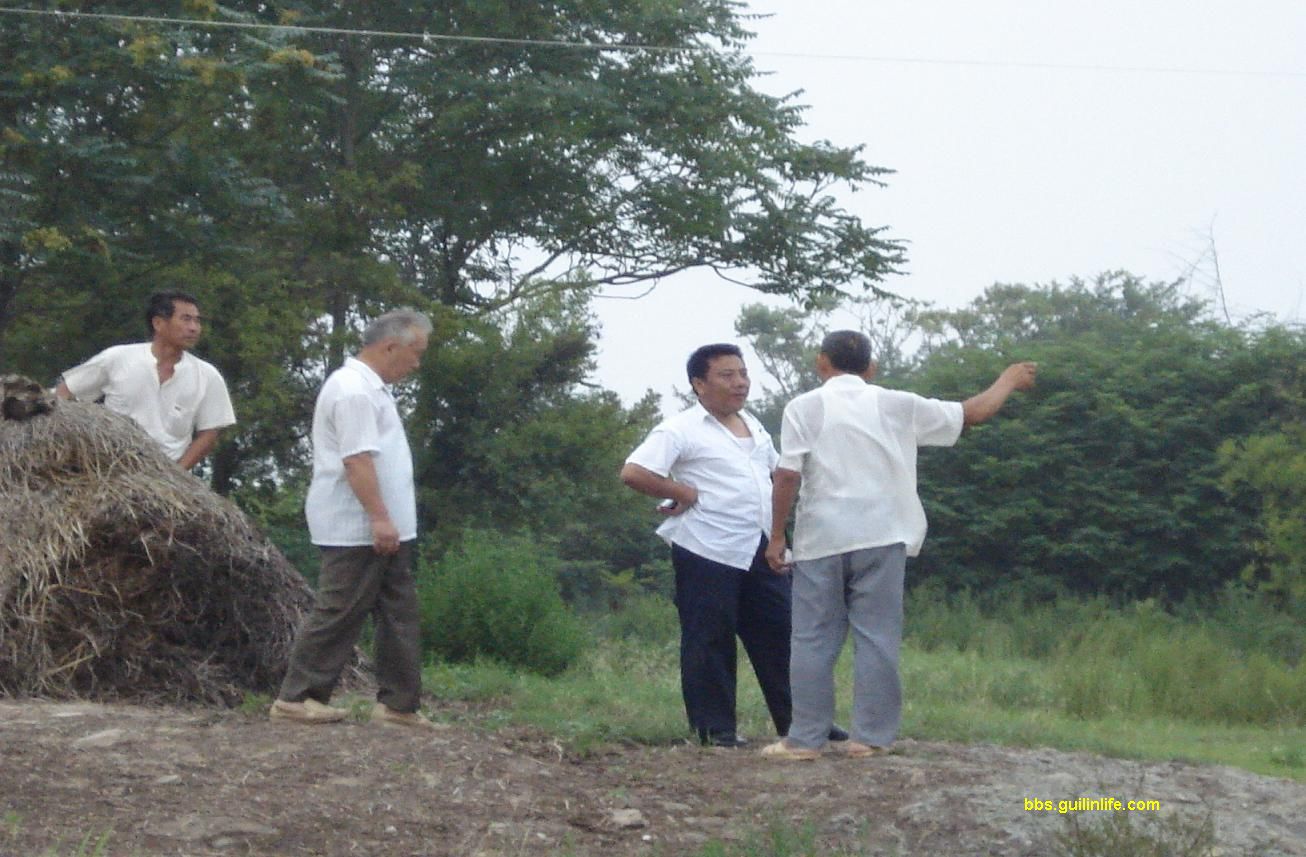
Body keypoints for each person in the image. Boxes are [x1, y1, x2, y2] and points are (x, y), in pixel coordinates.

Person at [761, 330, 1037, 760]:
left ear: (821, 363)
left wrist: (778, 535)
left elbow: (788, 475)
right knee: (877, 636)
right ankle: (868, 738)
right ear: (871, 369)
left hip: (822, 535)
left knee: (812, 639)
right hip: (884, 533)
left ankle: (804, 739)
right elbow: (971, 414)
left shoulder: (803, 407)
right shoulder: (897, 403)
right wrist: (1008, 380)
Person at [621, 343, 847, 749]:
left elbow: (776, 473)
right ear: (699, 384)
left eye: (742, 374)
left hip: (760, 545)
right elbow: (635, 471)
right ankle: (715, 730)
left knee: (783, 634)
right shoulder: (680, 428)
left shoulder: (754, 425)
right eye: (727, 375)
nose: (739, 383)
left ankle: (804, 724)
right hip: (707, 546)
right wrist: (681, 491)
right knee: (709, 637)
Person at [270, 308, 435, 729]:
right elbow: (357, 460)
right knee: (340, 609)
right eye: (415, 353)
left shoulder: (373, 389)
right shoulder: (353, 391)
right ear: (389, 346)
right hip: (356, 525)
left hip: (388, 525)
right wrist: (379, 518)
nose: (417, 363)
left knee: (399, 612)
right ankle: (298, 697)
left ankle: (399, 704)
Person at [56, 291, 235, 470]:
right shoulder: (117, 358)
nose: (194, 328)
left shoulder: (208, 376)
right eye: (186, 319)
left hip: (165, 477)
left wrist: (176, 474)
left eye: (197, 321)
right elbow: (63, 394)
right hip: (107, 469)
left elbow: (209, 433)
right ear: (158, 323)